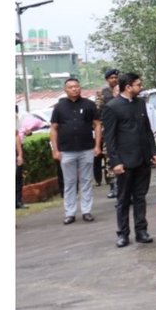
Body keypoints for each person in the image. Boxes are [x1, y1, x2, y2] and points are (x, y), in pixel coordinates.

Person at [101, 71, 156, 247]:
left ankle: (141, 231)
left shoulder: (140, 104)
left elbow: (147, 130)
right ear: (128, 87)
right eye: (138, 85)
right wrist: (115, 162)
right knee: (123, 199)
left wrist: (153, 152)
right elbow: (109, 138)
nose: (141, 87)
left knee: (140, 196)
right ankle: (123, 233)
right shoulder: (112, 107)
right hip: (124, 162)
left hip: (142, 159)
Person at [49, 76, 102, 224]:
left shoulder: (89, 105)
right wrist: (55, 150)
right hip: (66, 150)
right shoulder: (59, 107)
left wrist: (97, 145)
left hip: (86, 149)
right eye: (71, 87)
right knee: (70, 182)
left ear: (80, 88)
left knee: (86, 181)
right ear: (65, 90)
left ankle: (86, 211)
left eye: (76, 86)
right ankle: (70, 213)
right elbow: (53, 129)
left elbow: (97, 125)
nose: (74, 89)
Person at [96, 68, 119, 197]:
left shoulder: (123, 90)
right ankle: (112, 186)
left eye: (116, 77)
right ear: (107, 79)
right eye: (111, 78)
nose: (114, 80)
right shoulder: (102, 93)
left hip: (122, 129)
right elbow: (98, 110)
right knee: (109, 157)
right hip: (108, 129)